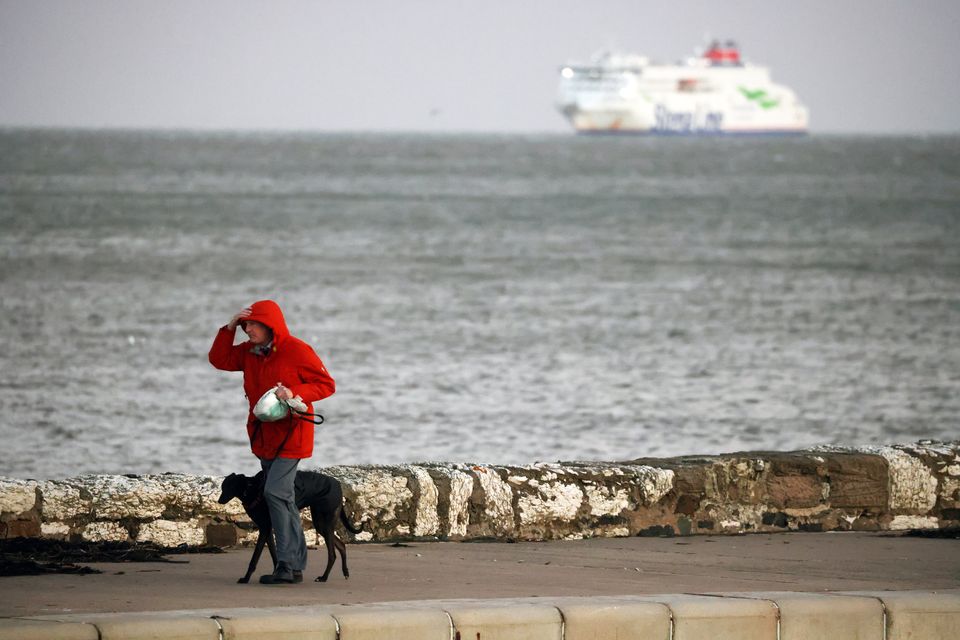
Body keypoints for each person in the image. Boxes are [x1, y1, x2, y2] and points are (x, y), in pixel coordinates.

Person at [209, 300, 335, 584]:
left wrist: (294, 391)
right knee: (285, 498)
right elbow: (219, 359)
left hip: (293, 434)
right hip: (263, 436)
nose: (247, 330)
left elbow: (327, 385)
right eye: (244, 326)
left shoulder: (297, 350)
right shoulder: (249, 352)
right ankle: (296, 565)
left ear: (270, 326)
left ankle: (287, 566)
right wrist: (228, 328)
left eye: (252, 325)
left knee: (276, 493)